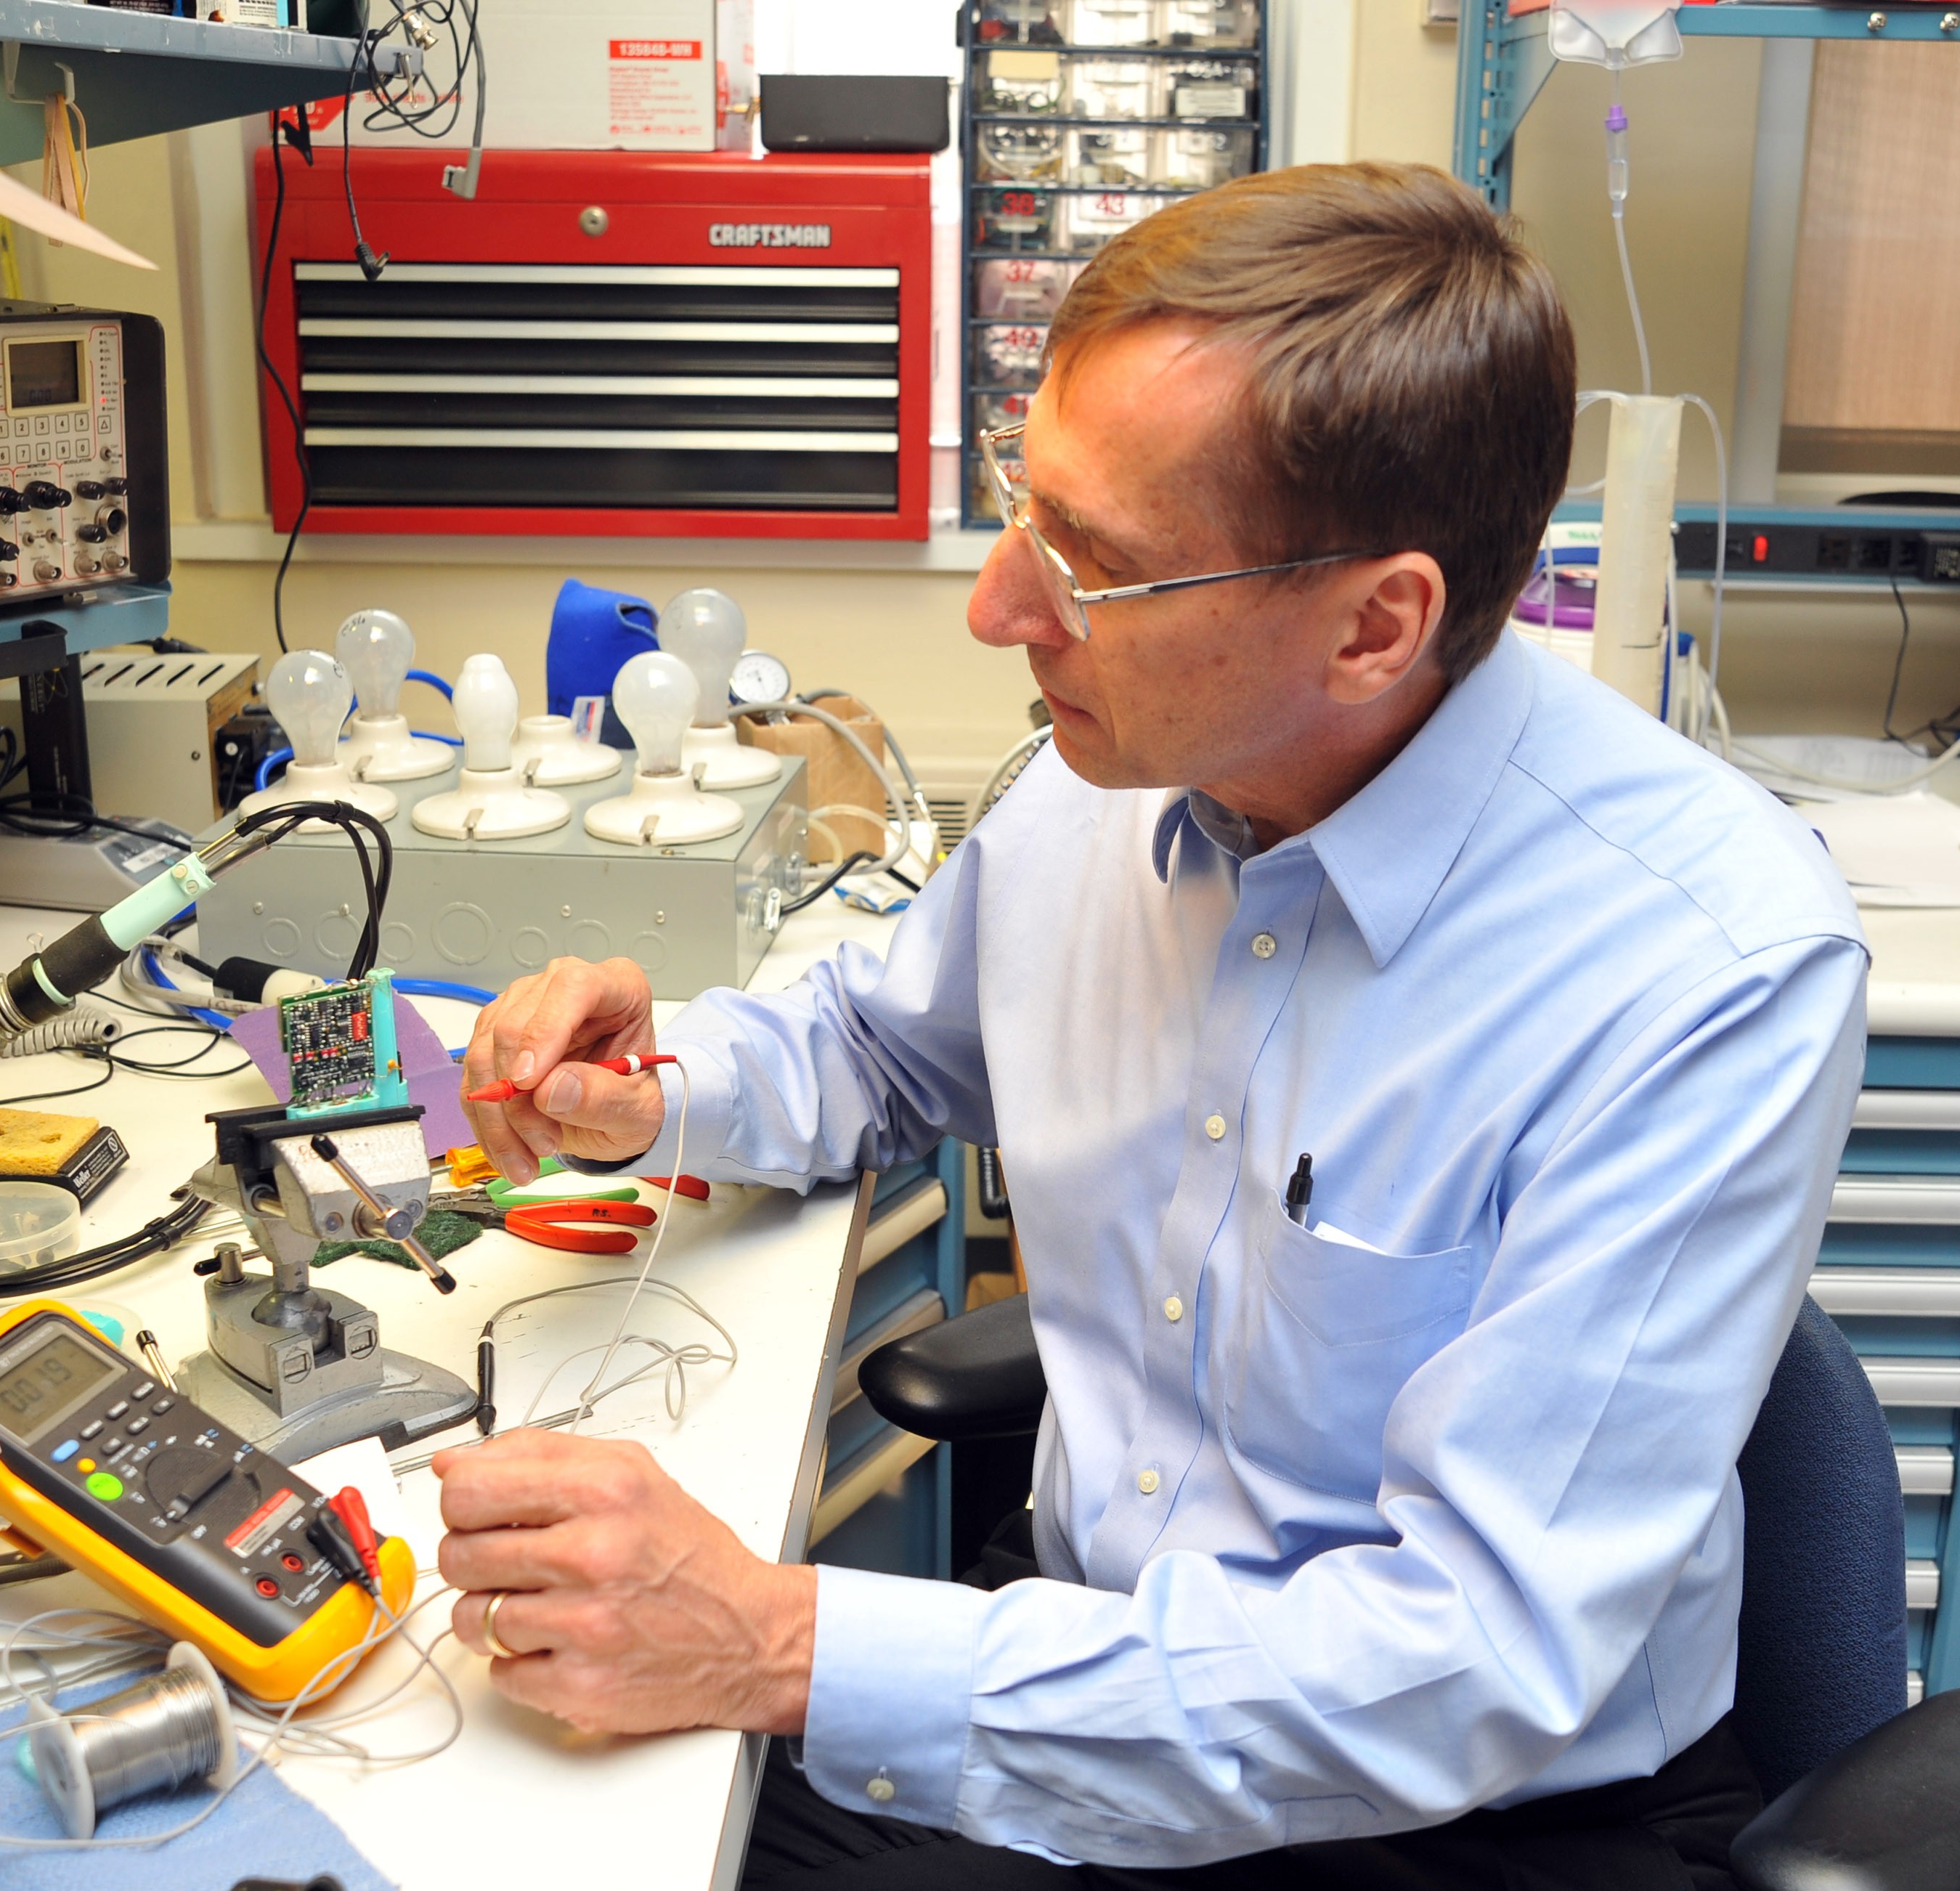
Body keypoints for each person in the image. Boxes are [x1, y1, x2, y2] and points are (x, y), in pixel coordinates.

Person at [434, 161, 1866, 1890]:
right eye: (1021, 509)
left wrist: (779, 1641)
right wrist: (655, 1085)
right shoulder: (1097, 785)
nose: (998, 608)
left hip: (1464, 1807)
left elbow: (1474, 1652)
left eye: (1092, 565)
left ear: (1372, 624)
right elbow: (884, 1046)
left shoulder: (1695, 963)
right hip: (1083, 1669)